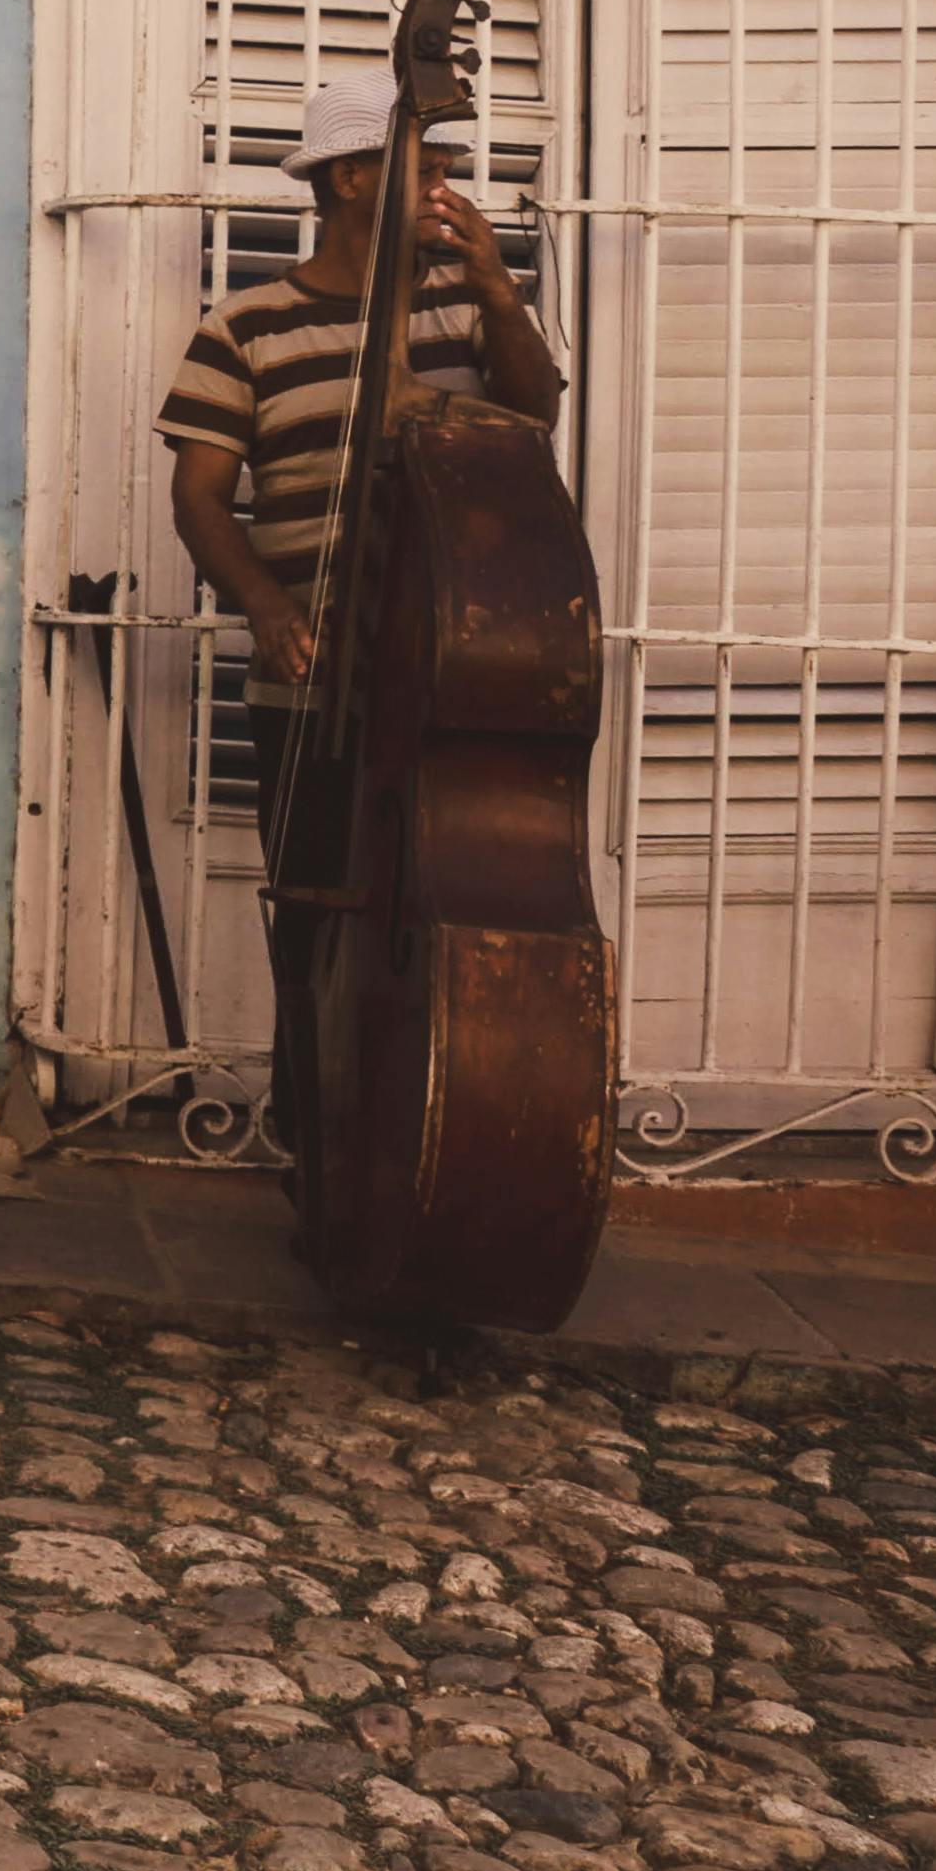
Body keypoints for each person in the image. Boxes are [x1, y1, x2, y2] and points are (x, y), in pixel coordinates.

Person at [158, 74, 564, 1186]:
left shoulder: (460, 301)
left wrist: (495, 290)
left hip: (450, 680)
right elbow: (200, 498)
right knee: (315, 925)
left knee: (446, 921)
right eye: (426, 165)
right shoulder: (243, 326)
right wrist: (270, 604)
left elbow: (534, 417)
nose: (447, 184)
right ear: (351, 177)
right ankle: (320, 1148)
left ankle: (432, 1142)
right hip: (310, 684)